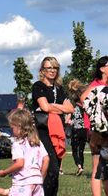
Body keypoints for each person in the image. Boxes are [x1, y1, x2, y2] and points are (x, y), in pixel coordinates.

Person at [32, 56, 73, 196]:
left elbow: (70, 109)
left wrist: (52, 106)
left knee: (55, 173)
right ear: (42, 70)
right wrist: (57, 107)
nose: (52, 70)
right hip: (43, 131)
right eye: (49, 67)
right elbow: (44, 107)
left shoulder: (59, 88)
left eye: (55, 67)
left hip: (58, 131)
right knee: (51, 169)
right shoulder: (38, 86)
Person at [0, 109, 49, 196]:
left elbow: (20, 163)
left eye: (12, 128)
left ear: (19, 126)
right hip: (37, 182)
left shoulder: (17, 144)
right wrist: (40, 178)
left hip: (23, 182)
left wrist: (5, 172)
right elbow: (46, 159)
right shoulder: (37, 142)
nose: (12, 131)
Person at [85, 56, 108, 196]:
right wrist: (91, 131)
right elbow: (86, 108)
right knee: (98, 166)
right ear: (102, 69)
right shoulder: (94, 87)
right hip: (98, 131)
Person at [67, 79, 88, 177]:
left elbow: (68, 121)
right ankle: (82, 167)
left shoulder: (72, 108)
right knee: (81, 151)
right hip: (85, 130)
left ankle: (79, 166)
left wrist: (70, 121)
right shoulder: (85, 107)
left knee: (74, 150)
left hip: (76, 130)